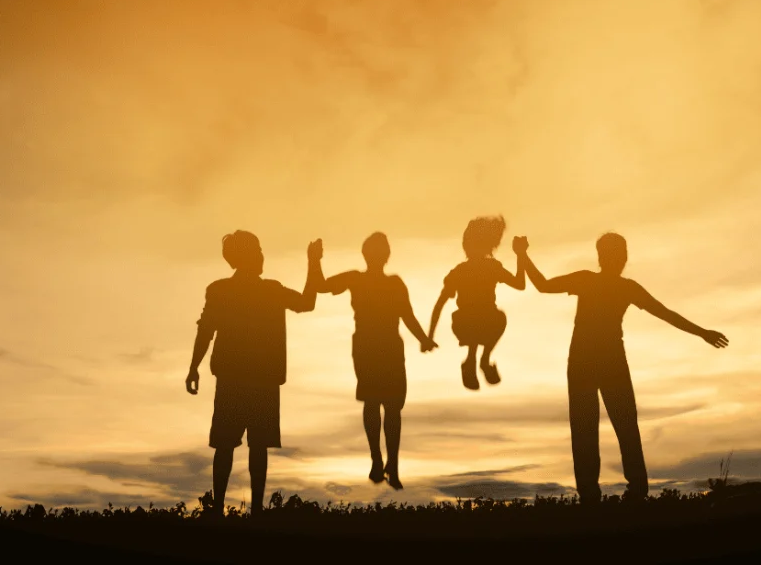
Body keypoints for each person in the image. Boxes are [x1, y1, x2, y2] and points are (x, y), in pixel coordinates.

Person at [515, 233, 728, 504]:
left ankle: (623, 492)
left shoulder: (614, 285)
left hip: (601, 361)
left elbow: (665, 313)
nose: (620, 259)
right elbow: (543, 285)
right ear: (607, 257)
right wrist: (522, 256)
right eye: (617, 254)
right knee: (595, 427)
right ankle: (603, 494)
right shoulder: (599, 282)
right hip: (592, 362)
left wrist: (702, 332)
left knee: (612, 426)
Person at [186, 230, 323, 516]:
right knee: (240, 446)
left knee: (238, 446)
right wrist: (193, 366)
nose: (262, 255)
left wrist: (313, 263)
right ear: (246, 256)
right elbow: (206, 328)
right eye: (257, 250)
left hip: (250, 378)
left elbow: (205, 329)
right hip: (249, 378)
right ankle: (245, 511)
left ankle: (240, 512)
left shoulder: (233, 289)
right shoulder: (239, 290)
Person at [317, 232, 437, 490]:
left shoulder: (380, 282)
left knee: (382, 405)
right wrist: (423, 339)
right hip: (374, 348)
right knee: (383, 406)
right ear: (383, 255)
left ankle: (386, 462)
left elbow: (407, 315)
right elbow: (321, 286)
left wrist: (424, 339)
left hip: (380, 348)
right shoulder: (362, 279)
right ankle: (382, 461)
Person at [428, 215, 525, 390]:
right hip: (471, 323)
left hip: (471, 323)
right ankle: (478, 359)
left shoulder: (464, 271)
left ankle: (476, 359)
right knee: (488, 316)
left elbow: (439, 304)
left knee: (488, 316)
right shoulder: (488, 268)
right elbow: (520, 284)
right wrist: (521, 255)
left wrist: (430, 335)